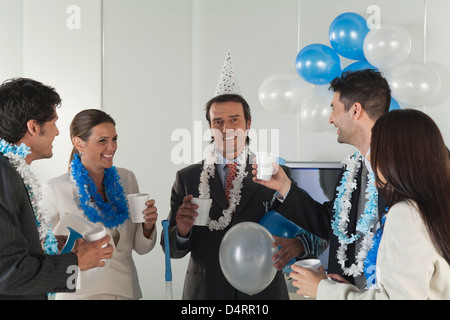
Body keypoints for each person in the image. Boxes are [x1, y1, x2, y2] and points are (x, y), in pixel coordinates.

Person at [290, 109, 450, 299]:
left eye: (377, 149)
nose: (370, 159)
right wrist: (355, 293)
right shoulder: (437, 206)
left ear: (400, 157)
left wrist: (323, 290)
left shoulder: (407, 214)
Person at [253, 70, 390, 288]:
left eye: (333, 109)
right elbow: (331, 224)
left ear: (355, 110)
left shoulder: (407, 163)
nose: (330, 119)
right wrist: (284, 186)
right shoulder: (351, 168)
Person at [0, 78, 113, 300]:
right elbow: (9, 274)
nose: (58, 133)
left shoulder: (11, 171)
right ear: (33, 127)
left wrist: (45, 247)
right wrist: (76, 261)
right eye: (54, 122)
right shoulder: (3, 175)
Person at [40, 109, 158, 300]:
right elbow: (46, 250)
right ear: (79, 143)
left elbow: (141, 248)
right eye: (102, 140)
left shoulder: (127, 179)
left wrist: (148, 226)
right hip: (81, 294)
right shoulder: (55, 188)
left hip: (126, 291)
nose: (111, 147)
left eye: (114, 139)